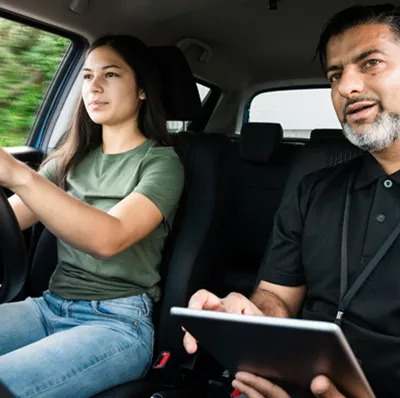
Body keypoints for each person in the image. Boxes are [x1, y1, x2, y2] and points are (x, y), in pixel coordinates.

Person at [184, 4, 400, 398]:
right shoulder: (313, 190)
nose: (345, 87)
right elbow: (276, 296)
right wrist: (248, 315)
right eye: (335, 75)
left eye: (370, 63)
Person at [0, 35, 184, 397]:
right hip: (47, 306)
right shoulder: (70, 160)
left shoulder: (161, 163)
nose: (94, 87)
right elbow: (9, 222)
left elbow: (109, 239)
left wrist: (19, 175)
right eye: (86, 76)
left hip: (117, 322)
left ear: (143, 89)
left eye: (111, 75)